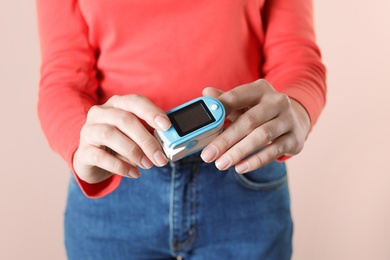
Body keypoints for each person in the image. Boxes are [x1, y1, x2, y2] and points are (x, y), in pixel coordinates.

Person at [36, 0, 326, 259]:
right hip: (115, 178)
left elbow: (296, 57)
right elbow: (63, 78)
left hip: (245, 167)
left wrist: (298, 110)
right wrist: (80, 144)